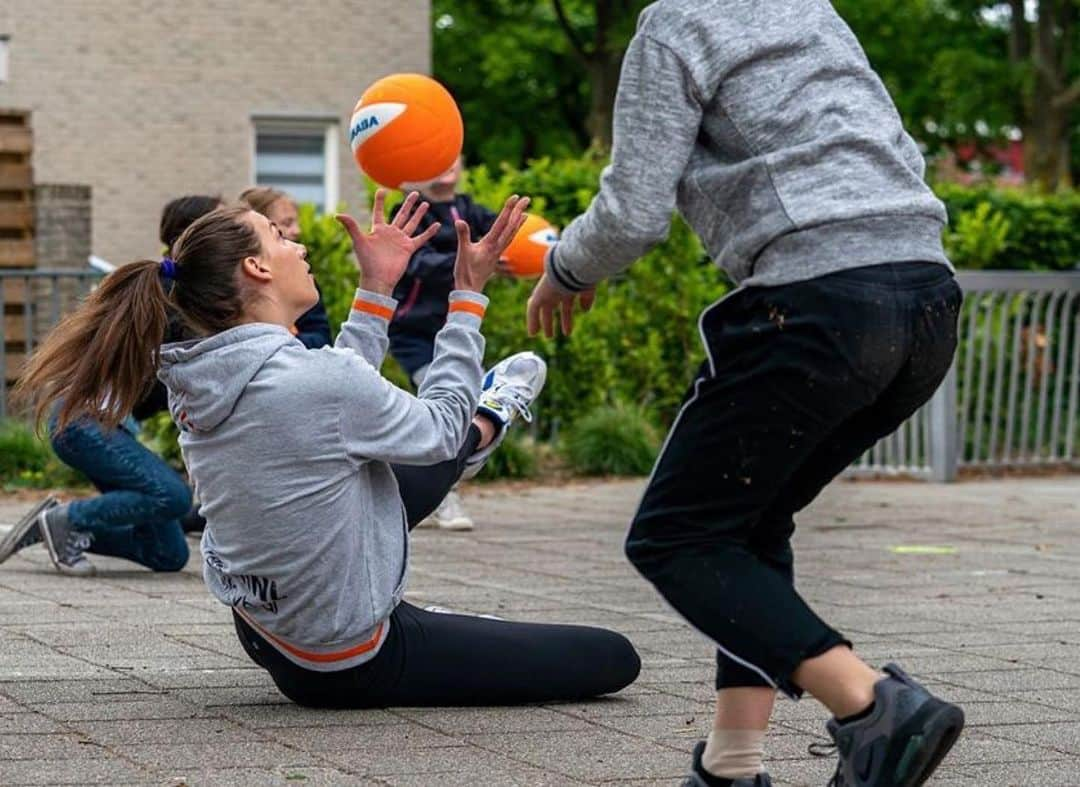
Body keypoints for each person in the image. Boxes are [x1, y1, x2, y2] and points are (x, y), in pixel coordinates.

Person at [526, 2, 964, 785]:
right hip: (926, 300)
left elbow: (632, 213)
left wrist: (565, 267)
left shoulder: (675, 23)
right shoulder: (811, 12)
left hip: (819, 303)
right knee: (750, 519)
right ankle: (732, 762)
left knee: (677, 537)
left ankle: (871, 705)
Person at [13, 189, 641, 707]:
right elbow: (432, 422)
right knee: (613, 656)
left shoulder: (200, 372)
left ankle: (471, 443)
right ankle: (491, 419)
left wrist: (377, 287)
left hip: (264, 628)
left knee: (381, 453)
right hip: (348, 661)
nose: (300, 243)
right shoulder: (312, 383)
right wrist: (468, 297)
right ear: (256, 269)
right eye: (280, 236)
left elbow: (333, 397)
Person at [0, 198, 226, 575]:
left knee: (168, 554)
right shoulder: (167, 297)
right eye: (223, 222)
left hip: (111, 428)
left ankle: (52, 524)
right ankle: (69, 519)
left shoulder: (182, 297)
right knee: (170, 494)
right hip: (83, 424)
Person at [388, 155, 499, 530]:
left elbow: (503, 232)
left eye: (452, 155)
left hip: (454, 327)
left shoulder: (469, 210)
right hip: (414, 333)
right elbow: (417, 264)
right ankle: (444, 496)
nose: (446, 163)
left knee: (459, 403)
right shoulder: (409, 212)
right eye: (434, 155)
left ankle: (444, 476)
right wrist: (467, 262)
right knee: (443, 403)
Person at [239, 186, 332, 348]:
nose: (297, 231)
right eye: (286, 225)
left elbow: (322, 338)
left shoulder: (304, 280)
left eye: (296, 222)